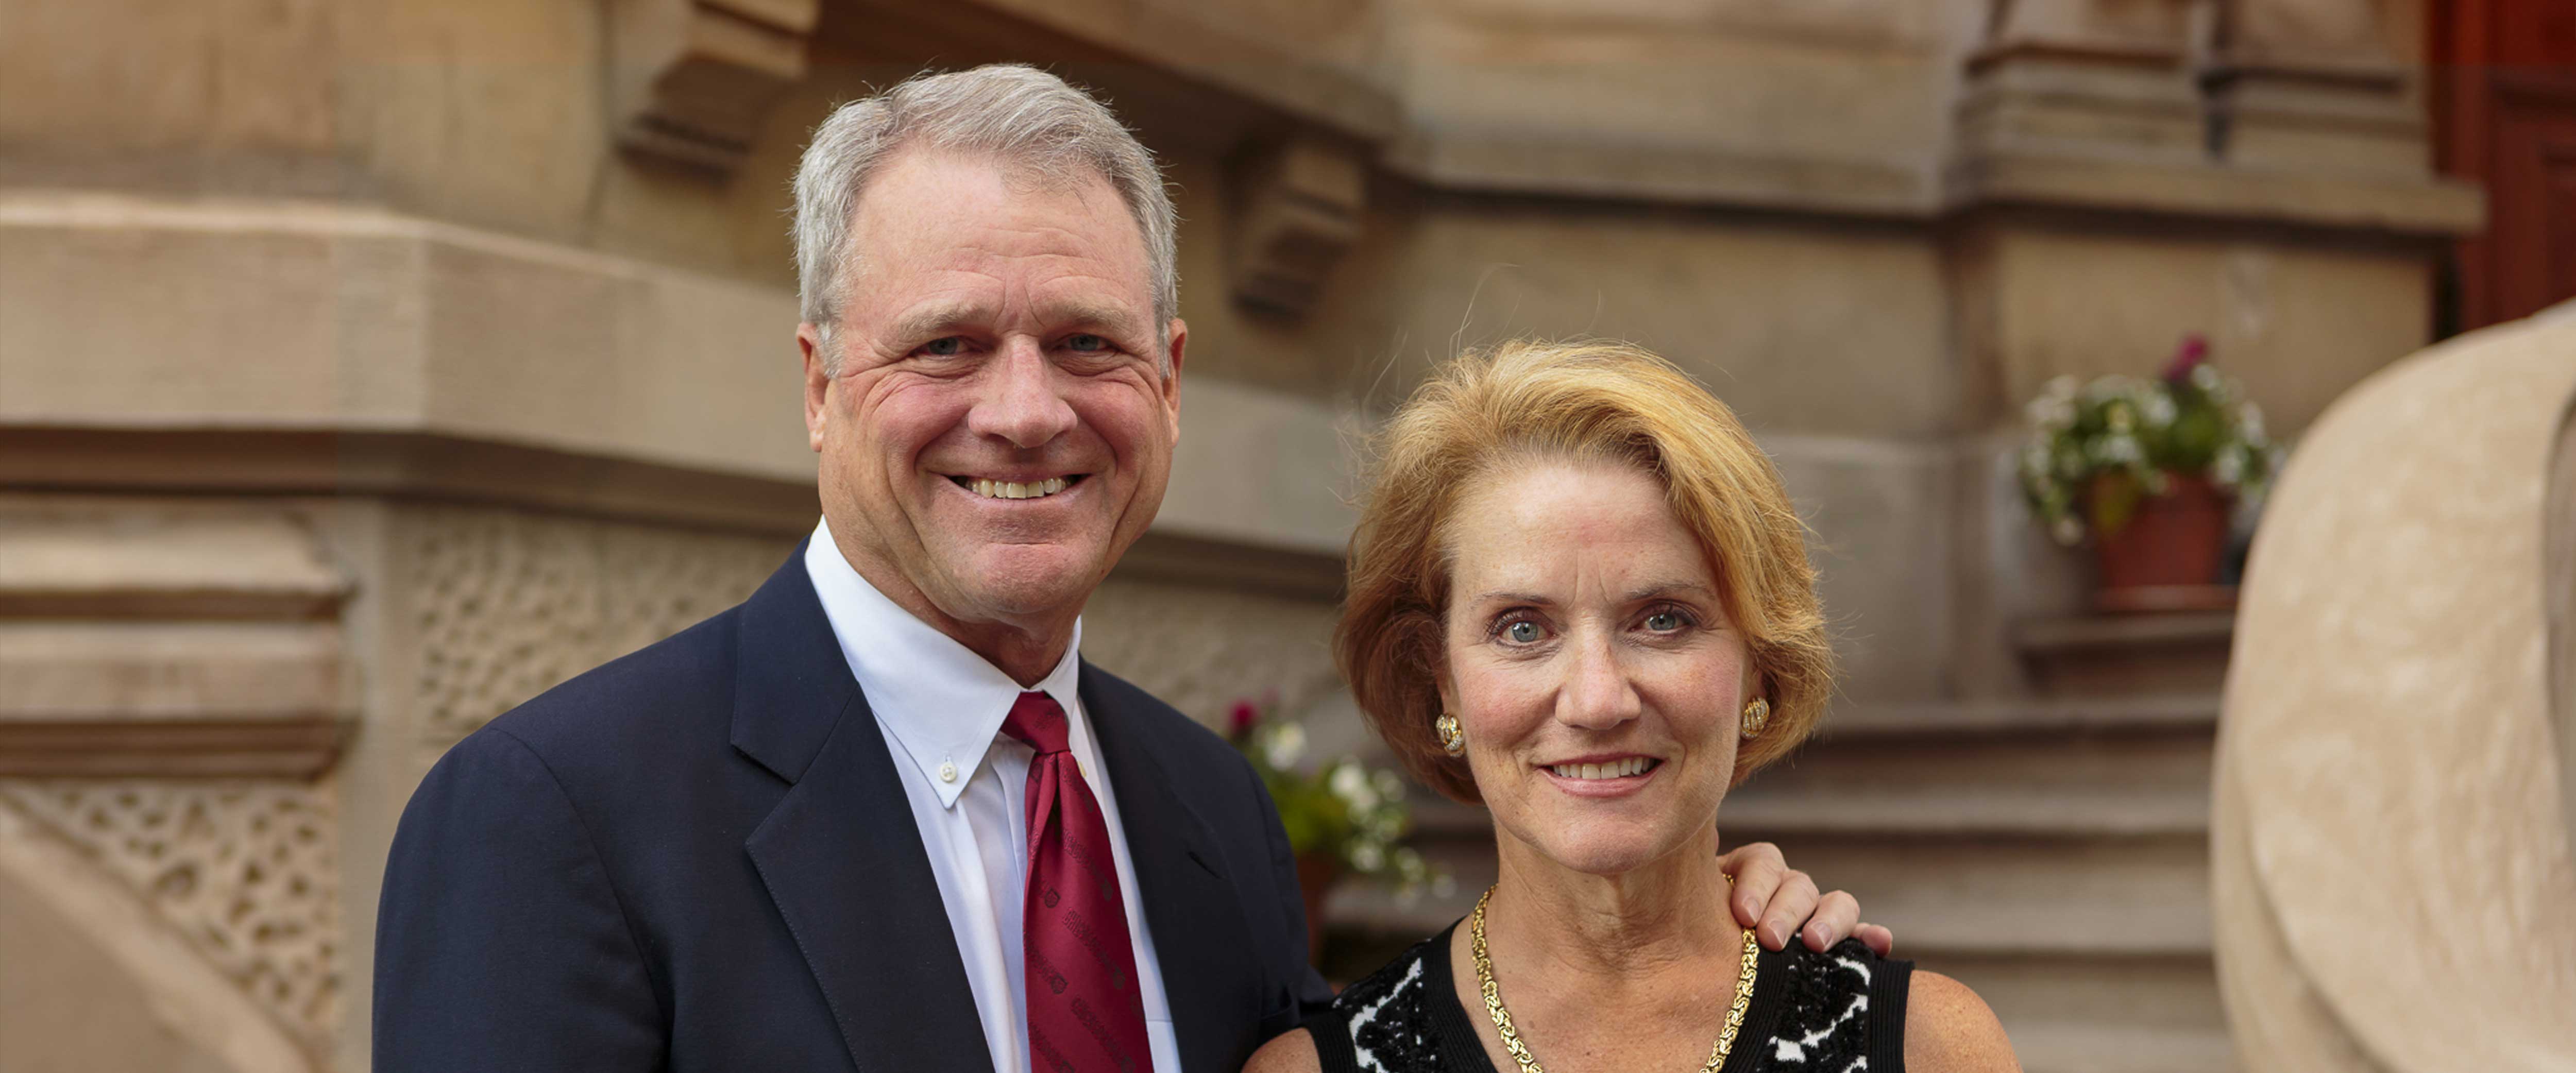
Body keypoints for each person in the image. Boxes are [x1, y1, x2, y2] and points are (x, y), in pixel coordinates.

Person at [371, 67, 1877, 1073]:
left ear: (1167, 378)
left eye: (1085, 341)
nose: (1026, 410)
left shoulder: (1206, 810)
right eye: (948, 343)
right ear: (821, 384)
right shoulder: (556, 817)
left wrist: (1674, 912)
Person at [1250, 340, 2019, 1072]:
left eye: (1663, 620)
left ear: (1760, 664)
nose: (1597, 701)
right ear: (1441, 680)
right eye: (1522, 628)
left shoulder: (1929, 1049)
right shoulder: (1315, 1068)